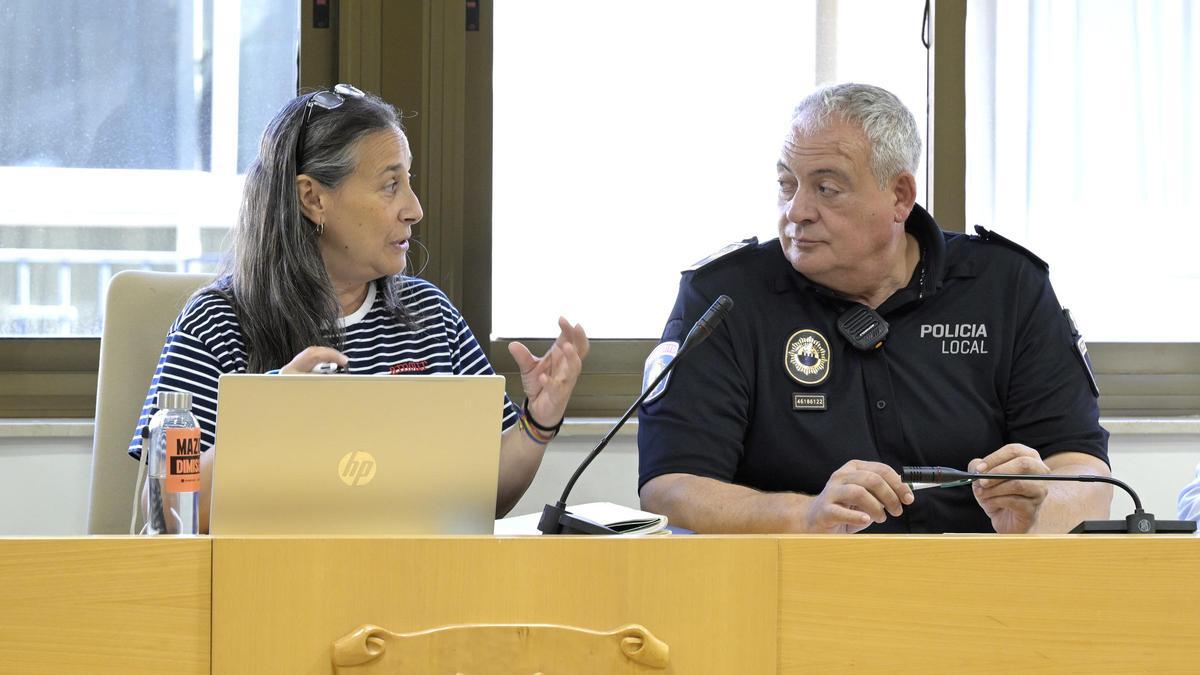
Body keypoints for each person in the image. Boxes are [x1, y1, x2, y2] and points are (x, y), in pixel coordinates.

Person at [637, 82, 1111, 534]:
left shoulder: (1007, 287)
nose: (796, 210)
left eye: (826, 188)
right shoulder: (725, 297)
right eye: (787, 184)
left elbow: (1088, 476)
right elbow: (671, 487)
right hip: (794, 585)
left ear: (899, 196)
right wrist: (805, 518)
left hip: (979, 584)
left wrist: (1036, 513)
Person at [129, 84, 588, 531]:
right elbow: (170, 514)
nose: (414, 208)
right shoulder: (217, 320)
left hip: (411, 592)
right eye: (390, 185)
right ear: (313, 198)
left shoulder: (431, 315)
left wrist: (536, 421)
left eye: (409, 182)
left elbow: (484, 502)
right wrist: (270, 414)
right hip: (263, 592)